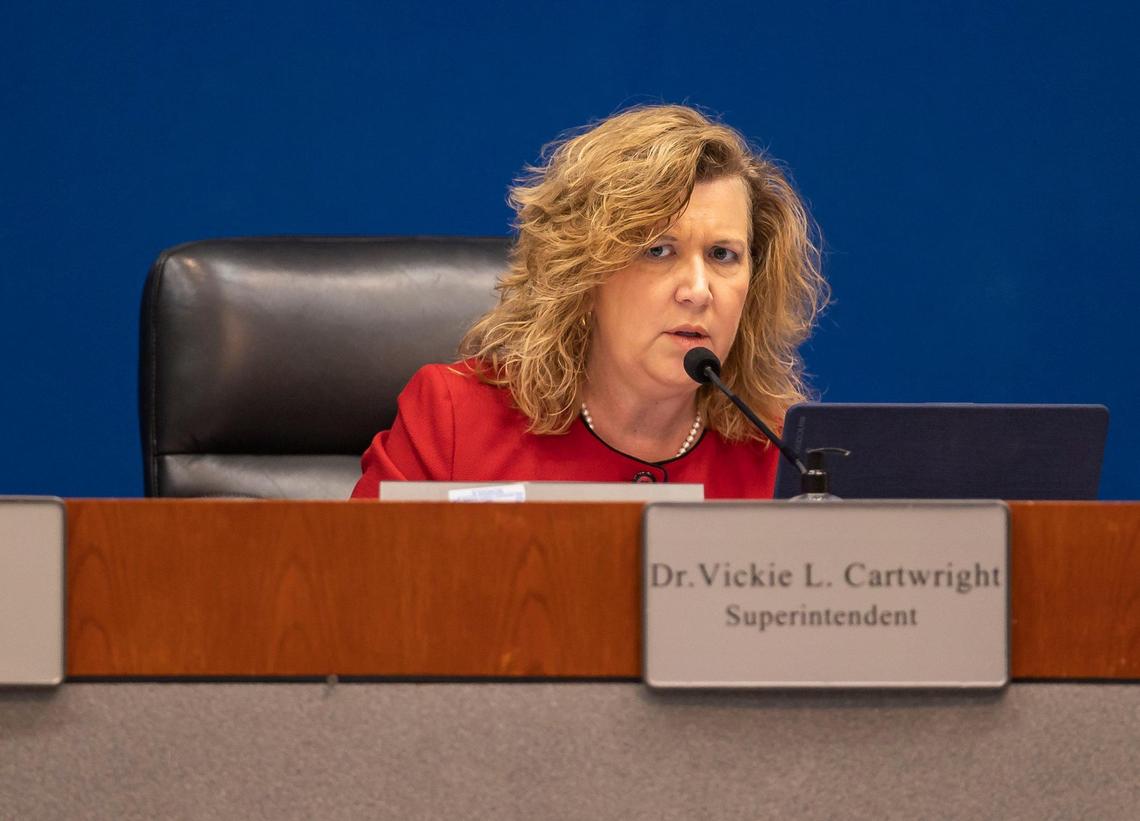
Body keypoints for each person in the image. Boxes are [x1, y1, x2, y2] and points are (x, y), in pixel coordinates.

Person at [351, 104, 827, 499]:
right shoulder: (454, 419)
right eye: (658, 251)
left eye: (723, 255)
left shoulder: (786, 459)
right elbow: (350, 597)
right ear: (585, 275)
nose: (698, 290)